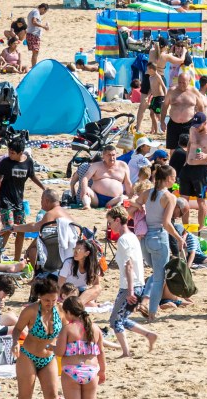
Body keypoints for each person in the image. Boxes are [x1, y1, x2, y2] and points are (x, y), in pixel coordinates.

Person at [0, 137, 44, 261]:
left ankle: (16, 258)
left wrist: (43, 187)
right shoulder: (5, 163)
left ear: (20, 153)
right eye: (9, 151)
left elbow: (32, 176)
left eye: (12, 153)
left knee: (21, 230)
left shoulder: (28, 162)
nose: (9, 154)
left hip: (18, 201)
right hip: (4, 200)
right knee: (8, 228)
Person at [106, 206, 157, 357]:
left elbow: (128, 266)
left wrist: (130, 291)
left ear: (117, 220)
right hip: (138, 284)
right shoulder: (133, 236)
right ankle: (149, 335)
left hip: (131, 286)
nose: (109, 226)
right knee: (122, 319)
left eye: (110, 222)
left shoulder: (123, 240)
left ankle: (126, 352)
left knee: (115, 321)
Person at [12, 277, 61, 399]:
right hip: (28, 356)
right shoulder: (31, 311)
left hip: (48, 357)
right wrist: (15, 342)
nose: (50, 303)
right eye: (47, 300)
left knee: (53, 398)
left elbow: (68, 329)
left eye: (54, 300)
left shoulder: (60, 310)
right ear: (40, 297)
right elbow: (17, 329)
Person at [141, 165, 185, 316]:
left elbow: (133, 204)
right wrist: (179, 238)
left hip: (145, 239)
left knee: (156, 273)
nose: (175, 180)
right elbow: (166, 223)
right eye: (174, 178)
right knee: (159, 278)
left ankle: (146, 301)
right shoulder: (169, 197)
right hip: (158, 238)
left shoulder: (147, 193)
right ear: (167, 179)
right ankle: (152, 312)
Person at [56, 297, 106, 399]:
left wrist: (51, 347)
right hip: (91, 371)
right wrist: (103, 371)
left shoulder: (68, 328)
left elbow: (59, 352)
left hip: (71, 371)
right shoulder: (95, 328)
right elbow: (101, 352)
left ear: (68, 312)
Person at [79, 144, 133, 209]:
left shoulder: (123, 165)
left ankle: (118, 207)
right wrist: (84, 189)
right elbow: (85, 178)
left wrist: (130, 196)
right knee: (86, 189)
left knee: (124, 198)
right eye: (109, 155)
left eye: (113, 155)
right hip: (96, 198)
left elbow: (127, 183)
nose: (112, 158)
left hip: (114, 200)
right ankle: (87, 205)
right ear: (103, 156)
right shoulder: (96, 165)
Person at [60, 239, 103, 307]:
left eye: (78, 249)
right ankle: (77, 305)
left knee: (98, 288)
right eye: (74, 249)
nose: (75, 252)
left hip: (81, 292)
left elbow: (96, 284)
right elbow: (60, 285)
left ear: (87, 253)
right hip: (68, 291)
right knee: (91, 304)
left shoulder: (93, 266)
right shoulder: (69, 263)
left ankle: (76, 304)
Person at [25, 3, 50, 68]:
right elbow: (34, 22)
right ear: (43, 9)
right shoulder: (36, 12)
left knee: (35, 52)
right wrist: (44, 26)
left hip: (32, 34)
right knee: (35, 52)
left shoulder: (33, 11)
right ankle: (34, 67)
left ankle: (33, 66)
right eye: (45, 11)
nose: (44, 13)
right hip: (33, 34)